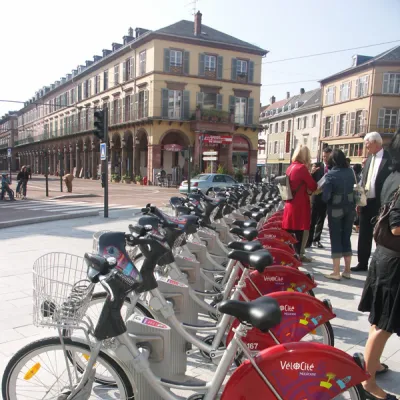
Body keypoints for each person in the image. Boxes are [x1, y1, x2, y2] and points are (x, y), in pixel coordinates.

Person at [358, 130, 400, 400]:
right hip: (394, 260)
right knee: (383, 326)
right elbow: (397, 227)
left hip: (384, 256)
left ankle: (371, 365)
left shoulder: (392, 175)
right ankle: (368, 384)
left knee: (378, 323)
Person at [352, 132, 392, 272]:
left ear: (376, 143)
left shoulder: (389, 159)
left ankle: (381, 265)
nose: (366, 147)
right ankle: (362, 263)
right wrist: (359, 200)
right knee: (364, 234)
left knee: (381, 234)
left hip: (381, 203)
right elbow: (364, 180)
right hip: (366, 202)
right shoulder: (369, 159)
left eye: (367, 144)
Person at [322, 149, 356, 280]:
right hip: (350, 208)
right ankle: (347, 270)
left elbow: (326, 197)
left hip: (335, 209)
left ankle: (336, 271)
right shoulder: (350, 172)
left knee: (335, 237)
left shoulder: (331, 174)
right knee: (346, 237)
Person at [282, 145, 318, 259]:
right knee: (300, 231)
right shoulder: (302, 168)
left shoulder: (290, 167)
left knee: (290, 230)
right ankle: (299, 255)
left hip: (290, 202)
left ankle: (290, 254)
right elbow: (313, 186)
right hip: (300, 204)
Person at [306, 147, 332, 249]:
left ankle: (317, 240)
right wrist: (312, 172)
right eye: (324, 156)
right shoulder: (317, 166)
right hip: (316, 197)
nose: (325, 158)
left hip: (325, 197)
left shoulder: (333, 167)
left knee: (321, 220)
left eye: (327, 156)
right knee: (312, 220)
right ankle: (309, 240)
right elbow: (310, 180)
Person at [352, 164, 362, 233]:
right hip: (356, 196)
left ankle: (356, 225)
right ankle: (357, 225)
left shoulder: (353, 176)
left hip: (354, 196)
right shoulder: (358, 176)